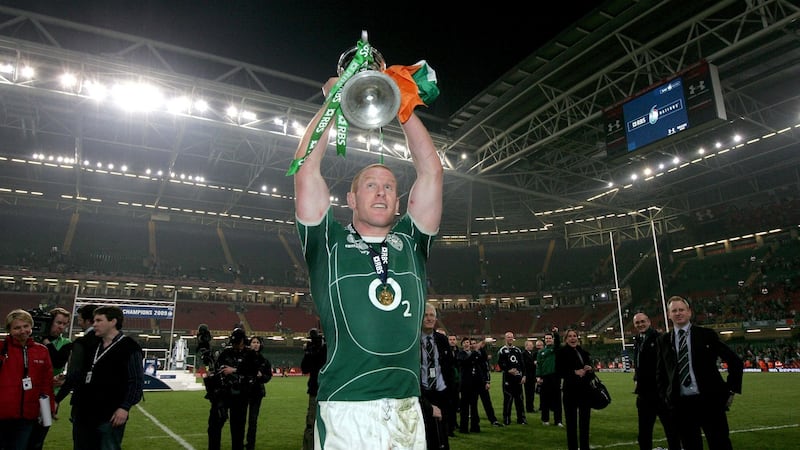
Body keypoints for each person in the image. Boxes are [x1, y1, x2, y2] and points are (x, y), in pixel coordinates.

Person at [292, 69, 443, 449]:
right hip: (347, 406)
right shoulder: (327, 241)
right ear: (351, 199)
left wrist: (402, 104)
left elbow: (432, 172)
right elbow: (306, 170)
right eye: (371, 186)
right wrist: (332, 103)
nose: (381, 192)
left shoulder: (411, 241)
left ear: (399, 202)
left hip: (408, 407)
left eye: (390, 187)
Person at [656, 296, 743, 450]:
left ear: (689, 312)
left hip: (710, 402)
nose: (678, 313)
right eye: (674, 311)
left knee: (720, 444)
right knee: (690, 445)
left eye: (681, 310)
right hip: (681, 406)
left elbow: (734, 361)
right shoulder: (663, 340)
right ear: (669, 315)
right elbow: (661, 373)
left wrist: (731, 389)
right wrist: (666, 396)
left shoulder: (706, 334)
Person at [70, 305, 143, 450]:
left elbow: (136, 381)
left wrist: (124, 407)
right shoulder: (93, 344)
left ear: (113, 322)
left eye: (99, 320)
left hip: (110, 416)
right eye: (94, 320)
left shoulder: (129, 346)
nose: (94, 324)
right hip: (85, 414)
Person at [0, 309, 55, 450]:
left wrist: (48, 411)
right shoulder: (1, 348)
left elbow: (46, 384)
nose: (22, 331)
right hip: (2, 413)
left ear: (31, 326)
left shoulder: (42, 351)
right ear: (9, 330)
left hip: (28, 416)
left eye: (26, 326)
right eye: (17, 328)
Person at [632, 312, 680, 450]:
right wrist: (636, 377)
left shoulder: (660, 338)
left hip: (660, 394)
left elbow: (668, 365)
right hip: (644, 394)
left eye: (642, 321)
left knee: (671, 430)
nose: (640, 324)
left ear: (649, 321)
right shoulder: (638, 340)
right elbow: (639, 364)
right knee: (644, 432)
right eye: (637, 323)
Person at [207, 328, 260, 450]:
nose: (235, 345)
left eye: (238, 342)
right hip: (224, 393)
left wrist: (234, 370)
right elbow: (217, 369)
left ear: (243, 341)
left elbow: (253, 371)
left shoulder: (250, 354)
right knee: (214, 425)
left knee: (238, 429)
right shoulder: (226, 352)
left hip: (241, 395)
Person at [54, 304, 99, 447]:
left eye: (79, 320)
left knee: (82, 442)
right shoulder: (107, 340)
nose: (78, 323)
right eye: (59, 323)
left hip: (77, 399)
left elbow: (75, 372)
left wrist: (57, 399)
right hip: (103, 402)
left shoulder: (77, 342)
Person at [27, 307, 73, 450]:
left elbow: (58, 361)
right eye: (58, 322)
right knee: (21, 435)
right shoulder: (28, 338)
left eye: (64, 324)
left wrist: (45, 340)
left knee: (39, 438)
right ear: (49, 322)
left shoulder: (66, 342)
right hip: (26, 394)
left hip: (48, 397)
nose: (61, 327)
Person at [420, 303, 455, 449]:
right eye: (425, 315)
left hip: (441, 393)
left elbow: (449, 368)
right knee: (426, 436)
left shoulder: (442, 339)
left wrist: (450, 392)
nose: (429, 318)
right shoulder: (413, 340)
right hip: (423, 394)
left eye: (432, 315)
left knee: (442, 436)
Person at [557, 329, 594, 450]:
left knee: (585, 423)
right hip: (570, 391)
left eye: (575, 336)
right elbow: (559, 371)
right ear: (566, 339)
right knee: (571, 423)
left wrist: (589, 369)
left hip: (584, 391)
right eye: (570, 336)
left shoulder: (583, 352)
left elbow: (591, 372)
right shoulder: (561, 352)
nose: (573, 338)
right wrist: (574, 372)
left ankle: (585, 447)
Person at [300, 328, 326, 450]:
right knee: (311, 424)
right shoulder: (312, 351)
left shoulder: (327, 350)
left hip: (327, 391)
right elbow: (305, 368)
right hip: (316, 391)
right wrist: (308, 353)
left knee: (327, 423)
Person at [245, 335, 272, 450]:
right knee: (240, 419)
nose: (255, 344)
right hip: (244, 392)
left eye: (257, 342)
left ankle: (250, 444)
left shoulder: (264, 361)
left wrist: (261, 377)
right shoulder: (245, 359)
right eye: (253, 342)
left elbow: (268, 377)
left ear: (260, 345)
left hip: (257, 393)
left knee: (253, 420)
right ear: (249, 344)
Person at [497, 331, 527, 425]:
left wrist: (524, 375)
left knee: (519, 399)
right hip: (508, 379)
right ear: (505, 338)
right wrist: (508, 370)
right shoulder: (502, 350)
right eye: (508, 337)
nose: (510, 338)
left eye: (511, 337)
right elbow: (500, 364)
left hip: (518, 378)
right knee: (508, 399)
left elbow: (522, 364)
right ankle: (506, 419)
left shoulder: (517, 350)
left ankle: (521, 419)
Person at [536, 328, 563, 427]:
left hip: (555, 377)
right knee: (544, 399)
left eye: (549, 338)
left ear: (552, 339)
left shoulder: (556, 349)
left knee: (557, 400)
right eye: (546, 338)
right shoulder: (541, 352)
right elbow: (538, 365)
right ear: (544, 340)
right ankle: (545, 419)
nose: (548, 340)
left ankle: (558, 421)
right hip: (544, 378)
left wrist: (556, 333)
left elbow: (558, 343)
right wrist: (538, 376)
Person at [456, 337, 483, 434]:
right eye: (465, 342)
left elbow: (480, 362)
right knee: (464, 407)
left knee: (474, 406)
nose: (467, 344)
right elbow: (465, 362)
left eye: (469, 342)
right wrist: (475, 352)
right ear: (462, 344)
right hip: (465, 384)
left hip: (474, 384)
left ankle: (475, 426)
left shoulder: (474, 353)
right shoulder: (460, 354)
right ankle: (464, 428)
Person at [445, 334, 460, 436]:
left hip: (457, 381)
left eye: (454, 339)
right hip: (448, 382)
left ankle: (454, 423)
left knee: (455, 404)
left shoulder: (459, 352)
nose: (452, 341)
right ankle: (449, 426)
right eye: (450, 339)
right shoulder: (445, 351)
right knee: (449, 405)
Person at [522, 340, 538, 413]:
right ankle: (529, 408)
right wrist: (533, 363)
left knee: (531, 393)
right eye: (530, 345)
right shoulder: (524, 354)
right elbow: (525, 365)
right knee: (528, 393)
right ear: (526, 346)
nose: (532, 346)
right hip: (528, 377)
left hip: (532, 376)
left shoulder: (530, 353)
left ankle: (531, 407)